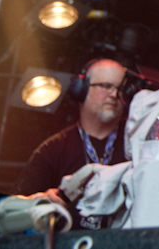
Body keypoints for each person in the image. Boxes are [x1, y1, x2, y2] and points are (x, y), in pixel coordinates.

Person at [14, 58, 129, 230]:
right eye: (106, 86)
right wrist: (40, 201)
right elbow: (13, 212)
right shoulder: (52, 150)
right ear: (80, 90)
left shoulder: (137, 142)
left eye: (121, 89)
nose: (114, 94)